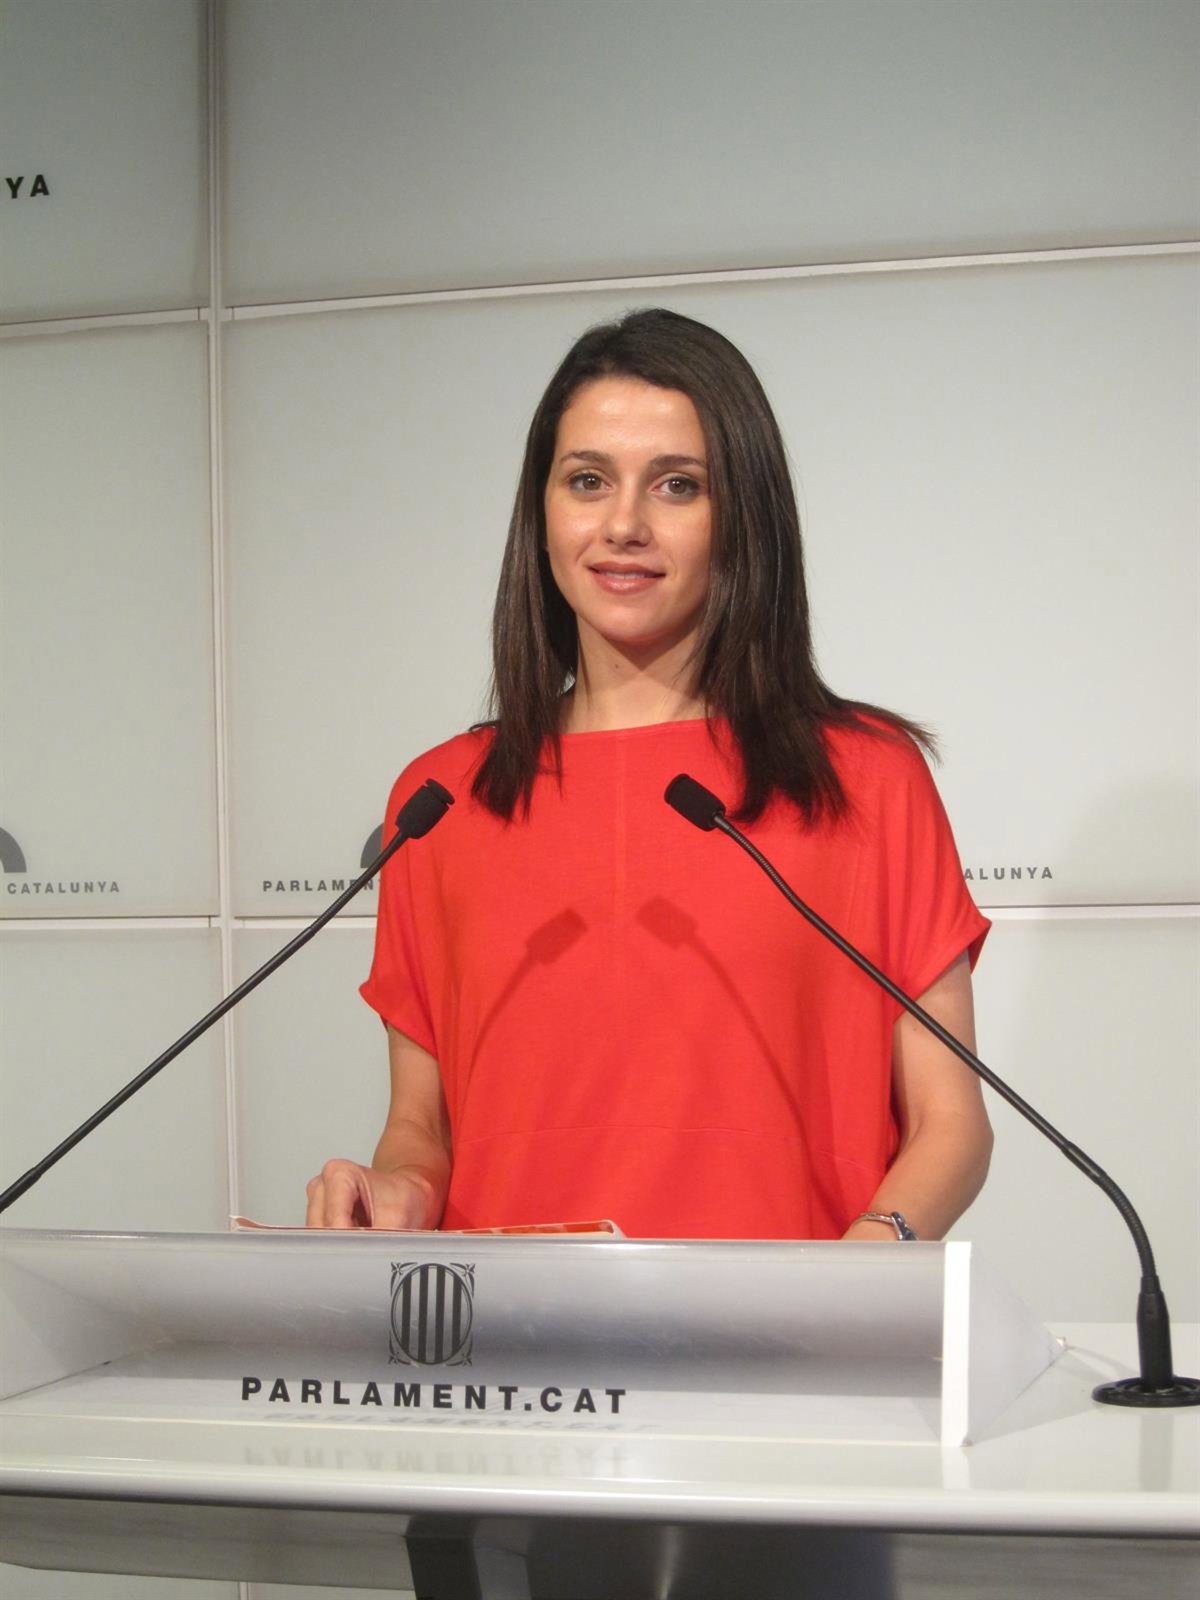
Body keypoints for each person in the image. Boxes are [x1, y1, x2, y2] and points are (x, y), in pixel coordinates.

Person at [306, 308, 992, 1240]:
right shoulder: (441, 802)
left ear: (742, 518)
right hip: (513, 1330)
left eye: (677, 485)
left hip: (789, 1327)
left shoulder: (866, 780)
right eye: (587, 480)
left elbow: (951, 1125)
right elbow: (420, 1131)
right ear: (541, 513)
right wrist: (397, 1193)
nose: (623, 525)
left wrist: (865, 1264)